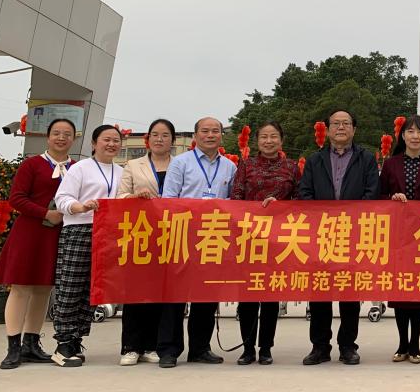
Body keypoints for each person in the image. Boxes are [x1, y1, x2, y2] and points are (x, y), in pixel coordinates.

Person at [298, 109, 379, 366]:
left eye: (345, 123)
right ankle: (319, 346)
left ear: (354, 129)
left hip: (353, 234)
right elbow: (305, 193)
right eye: (335, 123)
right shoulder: (315, 160)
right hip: (321, 235)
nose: (340, 128)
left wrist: (350, 218)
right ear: (327, 129)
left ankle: (348, 346)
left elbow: (372, 193)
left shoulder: (366, 159)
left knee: (349, 293)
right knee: (319, 292)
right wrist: (322, 218)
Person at [0, 119, 76, 369]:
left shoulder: (77, 168)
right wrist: (44, 213)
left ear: (74, 139)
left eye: (67, 134)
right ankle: (13, 347)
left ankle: (31, 344)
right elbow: (16, 198)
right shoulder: (32, 164)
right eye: (56, 133)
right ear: (47, 137)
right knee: (21, 288)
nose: (61, 138)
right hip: (29, 233)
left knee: (43, 289)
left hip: (57, 235)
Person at [160, 117, 238, 368]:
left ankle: (200, 348)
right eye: (205, 131)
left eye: (215, 131)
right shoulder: (180, 163)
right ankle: (169, 350)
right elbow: (169, 199)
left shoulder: (229, 167)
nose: (210, 135)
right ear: (195, 135)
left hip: (212, 238)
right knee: (175, 296)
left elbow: (235, 203)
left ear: (221, 136)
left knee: (206, 295)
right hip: (182, 236)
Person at [51, 124, 124, 367]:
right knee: (70, 286)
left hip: (108, 234)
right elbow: (62, 198)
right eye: (106, 139)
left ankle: (76, 339)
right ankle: (63, 343)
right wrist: (80, 207)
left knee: (91, 290)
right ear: (94, 143)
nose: (111, 144)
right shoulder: (80, 168)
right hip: (79, 229)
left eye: (116, 140)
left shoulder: (121, 172)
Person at [230, 121, 301, 366]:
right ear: (257, 141)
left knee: (271, 296)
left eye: (273, 137)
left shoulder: (292, 167)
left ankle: (266, 348)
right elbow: (236, 197)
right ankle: (248, 348)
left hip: (279, 241)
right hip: (249, 238)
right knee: (247, 296)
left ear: (281, 140)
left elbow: (302, 200)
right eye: (264, 137)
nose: (269, 141)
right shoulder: (246, 165)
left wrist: (281, 206)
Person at [378, 114, 420, 364]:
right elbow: (379, 196)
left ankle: (415, 345)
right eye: (410, 131)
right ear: (403, 136)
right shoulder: (391, 164)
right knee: (400, 291)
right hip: (397, 235)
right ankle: (401, 344)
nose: (415, 136)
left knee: (419, 291)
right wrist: (392, 199)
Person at [115, 118, 176, 367]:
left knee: (161, 293)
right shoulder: (133, 165)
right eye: (155, 134)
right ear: (147, 139)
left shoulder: (180, 165)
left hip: (171, 234)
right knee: (136, 291)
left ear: (172, 140)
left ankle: (152, 345)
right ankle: (131, 346)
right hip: (140, 233)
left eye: (165, 135)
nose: (159, 139)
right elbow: (119, 197)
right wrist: (134, 196)